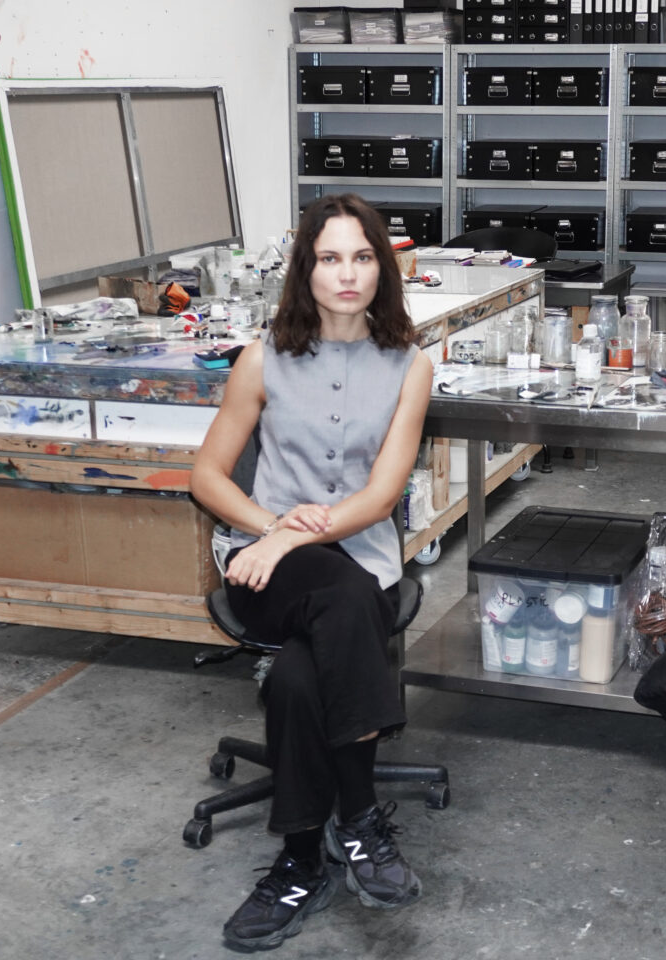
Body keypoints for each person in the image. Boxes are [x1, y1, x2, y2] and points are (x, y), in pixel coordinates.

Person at [190, 193, 434, 950]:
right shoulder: (261, 359)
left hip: (357, 557)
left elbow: (381, 498)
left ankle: (299, 861)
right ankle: (358, 821)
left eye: (362, 257)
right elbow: (206, 476)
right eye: (330, 258)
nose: (347, 274)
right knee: (343, 599)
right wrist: (271, 533)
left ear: (382, 269)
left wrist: (297, 537)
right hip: (264, 568)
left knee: (299, 677)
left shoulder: (410, 367)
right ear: (306, 269)